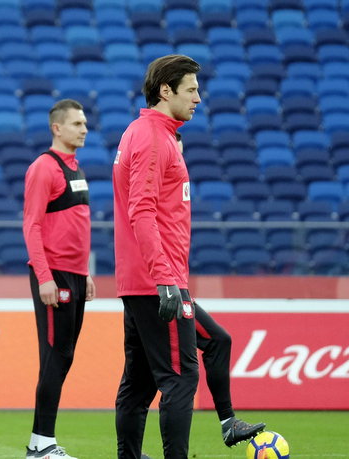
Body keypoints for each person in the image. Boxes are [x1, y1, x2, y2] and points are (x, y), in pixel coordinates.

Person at [113, 54, 202, 459]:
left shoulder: (149, 132)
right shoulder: (151, 135)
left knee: (140, 381)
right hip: (157, 280)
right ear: (166, 91)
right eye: (191, 89)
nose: (198, 98)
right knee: (180, 378)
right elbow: (142, 210)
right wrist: (165, 277)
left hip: (142, 278)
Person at [173, 137, 265, 447]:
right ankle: (227, 422)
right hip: (162, 286)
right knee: (163, 377)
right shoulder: (156, 185)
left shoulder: (175, 186)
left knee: (143, 378)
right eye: (176, 152)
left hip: (172, 283)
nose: (179, 160)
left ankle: (228, 423)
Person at [22, 99, 94, 459]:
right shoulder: (43, 168)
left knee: (64, 357)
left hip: (76, 275)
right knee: (54, 357)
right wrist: (45, 277)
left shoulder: (75, 168)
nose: (84, 129)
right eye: (77, 123)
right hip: (54, 277)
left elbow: (75, 226)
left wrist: (86, 273)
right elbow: (32, 226)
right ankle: (41, 444)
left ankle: (42, 442)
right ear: (57, 128)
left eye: (84, 123)